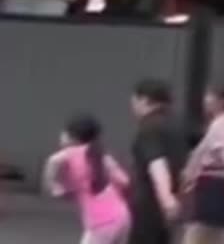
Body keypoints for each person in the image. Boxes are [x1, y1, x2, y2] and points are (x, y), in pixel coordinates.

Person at [45, 114, 132, 244]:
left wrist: (54, 187)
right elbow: (124, 181)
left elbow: (52, 161)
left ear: (72, 136)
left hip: (101, 221)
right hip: (122, 216)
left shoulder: (73, 152)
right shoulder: (100, 154)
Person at [182, 84, 224, 244]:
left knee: (201, 231)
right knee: (219, 232)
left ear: (222, 101)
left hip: (213, 185)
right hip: (215, 184)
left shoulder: (221, 124)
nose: (205, 100)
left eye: (209, 96)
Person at [129, 79, 186, 244]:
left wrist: (166, 199)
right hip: (168, 205)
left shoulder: (149, 128)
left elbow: (156, 163)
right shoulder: (176, 125)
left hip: (149, 204)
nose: (132, 106)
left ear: (144, 100)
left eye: (134, 100)